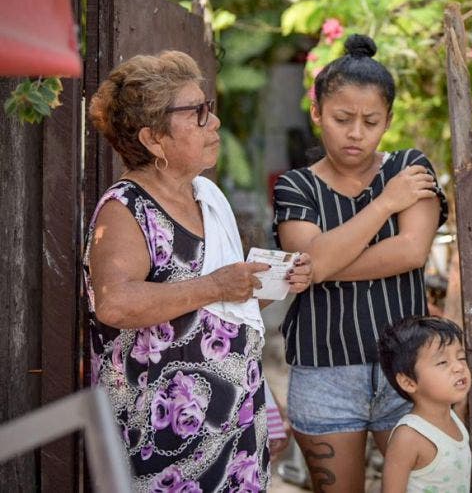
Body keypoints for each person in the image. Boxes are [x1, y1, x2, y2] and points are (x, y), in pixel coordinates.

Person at [84, 50, 312, 490]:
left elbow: (222, 310)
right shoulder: (125, 209)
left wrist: (277, 282)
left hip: (234, 430)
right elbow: (116, 304)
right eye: (198, 113)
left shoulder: (205, 196)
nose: (215, 122)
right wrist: (215, 285)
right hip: (164, 443)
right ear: (154, 139)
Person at [273, 34, 448, 491]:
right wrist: (386, 203)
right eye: (342, 118)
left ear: (388, 120)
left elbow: (411, 251)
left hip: (409, 371)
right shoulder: (296, 187)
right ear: (317, 113)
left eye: (370, 121)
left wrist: (319, 267)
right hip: (324, 372)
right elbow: (310, 257)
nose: (356, 133)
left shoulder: (410, 168)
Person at [377, 316, 471, 493]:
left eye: (461, 357)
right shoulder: (408, 437)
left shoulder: (453, 418)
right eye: (442, 362)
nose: (459, 367)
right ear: (408, 382)